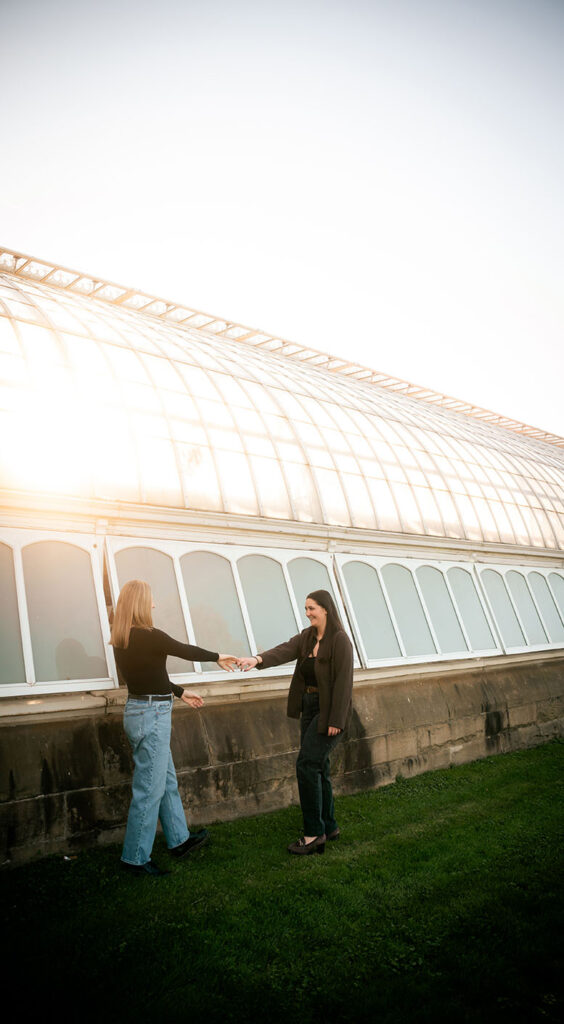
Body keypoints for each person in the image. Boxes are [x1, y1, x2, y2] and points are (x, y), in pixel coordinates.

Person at [110, 579, 237, 876]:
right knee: (149, 790)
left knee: (164, 781)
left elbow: (150, 676)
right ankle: (134, 859)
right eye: (151, 599)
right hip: (152, 714)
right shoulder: (150, 635)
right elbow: (185, 650)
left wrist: (180, 692)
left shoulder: (121, 638)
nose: (154, 604)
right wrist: (218, 657)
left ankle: (179, 840)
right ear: (142, 603)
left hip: (140, 710)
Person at [238, 589, 353, 855]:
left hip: (329, 711)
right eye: (306, 608)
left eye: (312, 608)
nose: (308, 613)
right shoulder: (307, 637)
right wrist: (256, 660)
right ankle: (330, 826)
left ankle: (314, 835)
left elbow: (344, 683)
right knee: (318, 765)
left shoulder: (340, 640)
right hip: (309, 708)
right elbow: (284, 650)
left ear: (326, 609)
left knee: (306, 764)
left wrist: (336, 719)